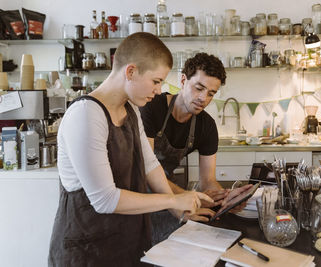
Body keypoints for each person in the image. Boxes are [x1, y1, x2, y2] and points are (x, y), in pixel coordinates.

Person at [48, 33, 212, 267]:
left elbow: (150, 165)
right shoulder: (86, 114)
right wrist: (172, 201)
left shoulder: (131, 110)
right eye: (156, 81)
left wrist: (178, 210)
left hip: (123, 244)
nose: (158, 90)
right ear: (131, 71)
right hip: (86, 252)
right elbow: (105, 200)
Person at [140, 53, 252, 244]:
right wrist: (186, 196)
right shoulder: (152, 108)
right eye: (198, 88)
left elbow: (207, 181)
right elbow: (146, 170)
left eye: (211, 93)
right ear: (183, 80)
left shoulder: (206, 126)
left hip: (172, 192)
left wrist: (223, 198)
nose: (203, 98)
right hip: (140, 191)